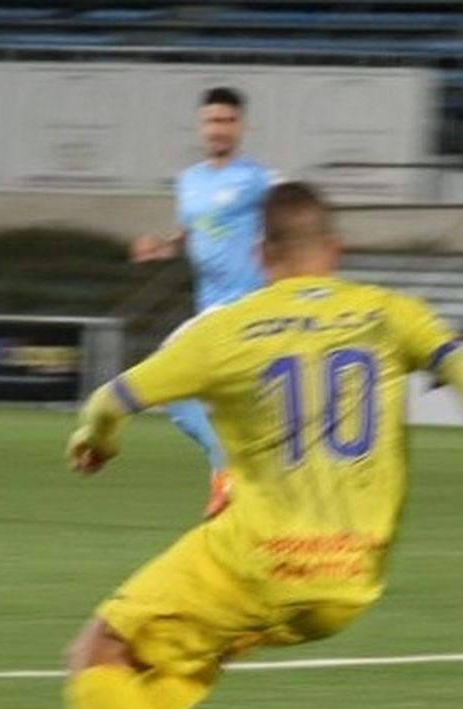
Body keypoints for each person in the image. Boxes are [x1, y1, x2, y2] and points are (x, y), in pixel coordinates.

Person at [14, 182, 463, 709]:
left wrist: (97, 440)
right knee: (187, 655)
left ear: (262, 255)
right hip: (349, 584)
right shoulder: (387, 313)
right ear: (336, 249)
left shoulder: (226, 330)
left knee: (99, 652)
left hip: (258, 561)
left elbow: (111, 400)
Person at [130, 86, 280, 517]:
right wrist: (162, 246)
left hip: (244, 305)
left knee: (167, 378)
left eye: (227, 121)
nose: (218, 129)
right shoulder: (190, 181)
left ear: (241, 127)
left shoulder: (258, 179)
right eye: (212, 121)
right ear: (201, 127)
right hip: (209, 307)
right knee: (210, 401)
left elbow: (296, 207)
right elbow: (193, 231)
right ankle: (244, 481)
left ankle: (225, 466)